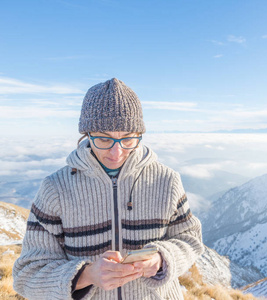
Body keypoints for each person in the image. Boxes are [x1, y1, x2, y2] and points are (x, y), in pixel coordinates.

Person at [13, 78, 204, 300]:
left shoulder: (167, 180)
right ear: (87, 135)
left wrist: (162, 258)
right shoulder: (55, 189)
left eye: (127, 139)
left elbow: (190, 238)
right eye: (104, 139)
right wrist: (86, 275)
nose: (116, 152)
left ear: (138, 135)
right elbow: (26, 276)